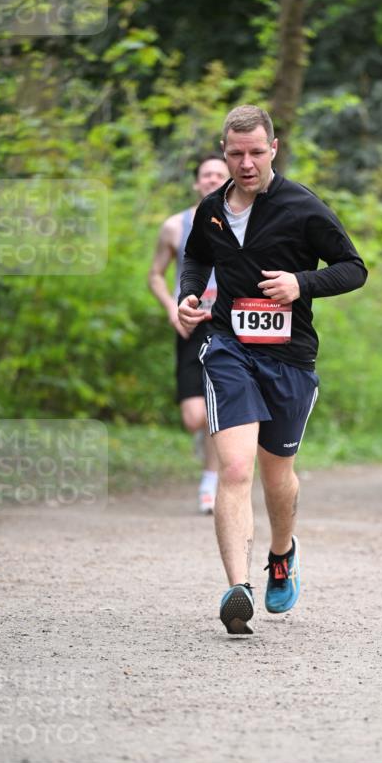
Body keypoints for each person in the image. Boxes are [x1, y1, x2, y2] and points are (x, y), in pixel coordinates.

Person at [177, 105, 367, 634]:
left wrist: (300, 284)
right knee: (235, 469)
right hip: (228, 347)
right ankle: (238, 587)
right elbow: (196, 258)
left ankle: (281, 554)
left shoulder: (301, 206)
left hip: (289, 358)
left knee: (276, 474)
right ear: (223, 151)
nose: (245, 162)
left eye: (256, 152)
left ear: (273, 149)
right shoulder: (210, 209)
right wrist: (189, 295)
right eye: (235, 153)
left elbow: (354, 269)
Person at [148, 155, 229, 513]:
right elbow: (155, 274)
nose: (212, 179)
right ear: (197, 183)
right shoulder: (174, 226)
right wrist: (170, 306)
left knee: (217, 409)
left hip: (228, 324)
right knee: (194, 417)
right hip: (190, 322)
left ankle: (210, 481)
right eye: (206, 175)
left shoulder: (243, 222)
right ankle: (204, 442)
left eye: (218, 174)